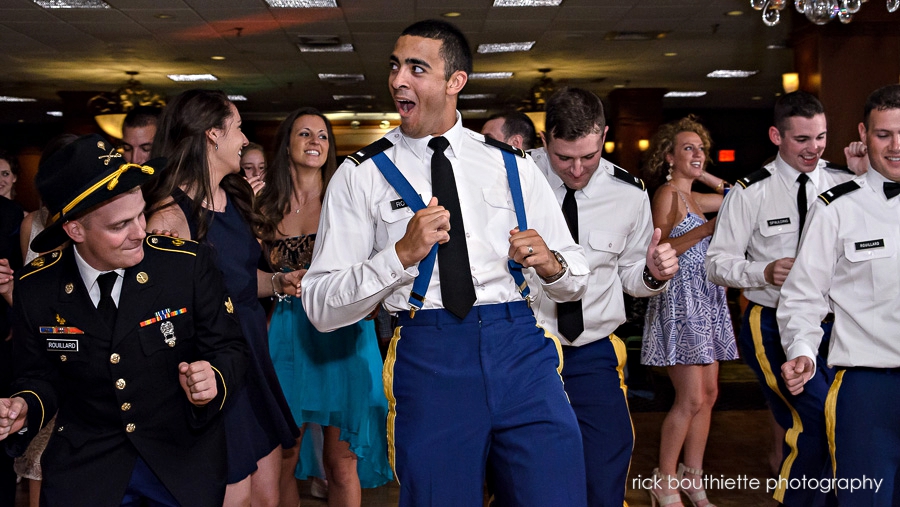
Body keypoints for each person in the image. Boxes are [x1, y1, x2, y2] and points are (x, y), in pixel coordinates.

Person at [302, 19, 590, 507]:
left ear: (455, 82)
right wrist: (398, 256)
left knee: (557, 492)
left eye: (417, 68)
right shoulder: (360, 177)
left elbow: (576, 279)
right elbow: (321, 307)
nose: (398, 80)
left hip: (521, 350)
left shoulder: (511, 165)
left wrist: (552, 265)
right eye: (395, 67)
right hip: (430, 353)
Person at [0, 133, 248, 507]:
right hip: (86, 466)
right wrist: (25, 406)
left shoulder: (187, 266)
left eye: (141, 214)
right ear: (75, 229)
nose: (140, 232)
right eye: (120, 226)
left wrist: (213, 379)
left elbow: (229, 348)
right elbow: (38, 376)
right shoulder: (38, 287)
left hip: (177, 463)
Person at [143, 89, 300, 507]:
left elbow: (241, 279)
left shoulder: (234, 196)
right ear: (212, 134)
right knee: (234, 495)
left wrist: (280, 283)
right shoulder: (169, 217)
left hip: (251, 351)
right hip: (213, 363)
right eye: (237, 128)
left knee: (268, 495)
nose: (244, 138)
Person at [524, 87, 678, 506]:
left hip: (592, 349)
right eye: (564, 157)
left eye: (589, 157)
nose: (576, 170)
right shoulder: (514, 183)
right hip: (527, 350)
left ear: (605, 135)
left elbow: (630, 276)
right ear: (544, 141)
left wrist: (652, 272)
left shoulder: (629, 193)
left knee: (607, 461)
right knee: (526, 473)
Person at [706, 91, 858, 507]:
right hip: (770, 321)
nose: (814, 149)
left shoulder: (846, 183)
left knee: (841, 421)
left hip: (837, 324)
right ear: (777, 135)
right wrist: (763, 271)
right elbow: (716, 265)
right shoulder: (750, 191)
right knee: (812, 420)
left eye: (821, 138)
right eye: (802, 140)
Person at [256, 107, 392, 507]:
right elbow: (248, 275)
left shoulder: (346, 197)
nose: (315, 141)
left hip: (341, 331)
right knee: (285, 451)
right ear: (286, 144)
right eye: (304, 134)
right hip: (285, 333)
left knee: (341, 457)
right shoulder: (264, 205)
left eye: (322, 136)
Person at [778, 84, 900, 506]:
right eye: (884, 134)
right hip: (867, 389)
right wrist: (803, 351)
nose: (896, 145)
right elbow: (802, 296)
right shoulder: (836, 207)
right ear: (864, 135)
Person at [641, 116, 736, 507]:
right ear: (669, 157)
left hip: (707, 298)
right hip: (680, 301)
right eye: (687, 149)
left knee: (710, 394)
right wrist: (703, 231)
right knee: (690, 398)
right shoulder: (667, 193)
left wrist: (703, 174)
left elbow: (740, 195)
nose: (697, 154)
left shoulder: (697, 197)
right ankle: (663, 482)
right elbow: (659, 251)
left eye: (701, 149)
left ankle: (691, 478)